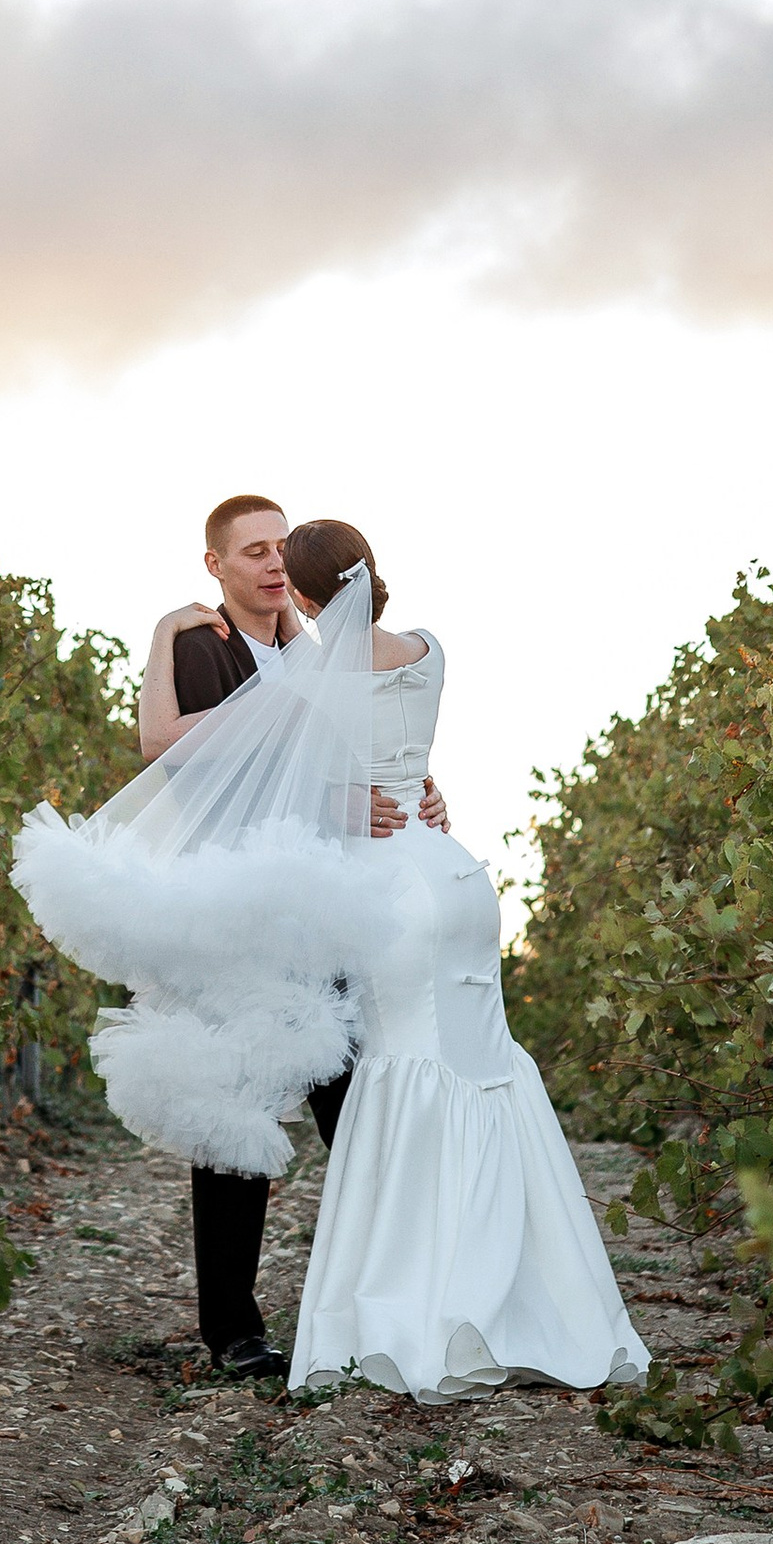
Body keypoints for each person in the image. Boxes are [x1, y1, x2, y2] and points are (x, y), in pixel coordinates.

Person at [270, 518, 645, 1403]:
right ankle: (523, 1291)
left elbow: (293, 789)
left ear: (308, 595)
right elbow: (408, 758)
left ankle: (428, 1303)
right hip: (454, 873)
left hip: (385, 886)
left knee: (405, 1070)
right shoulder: (431, 650)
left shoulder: (308, 678)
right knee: (480, 1067)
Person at [130, 496, 447, 1378]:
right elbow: (184, 760)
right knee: (237, 1115)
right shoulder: (203, 647)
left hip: (327, 906)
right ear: (216, 565)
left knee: (356, 1102)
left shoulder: (314, 649)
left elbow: (359, 746)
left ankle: (372, 1306)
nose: (273, 563)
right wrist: (161, 632)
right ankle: (233, 1329)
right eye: (253, 550)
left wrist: (418, 790)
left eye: (282, 548)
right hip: (243, 910)